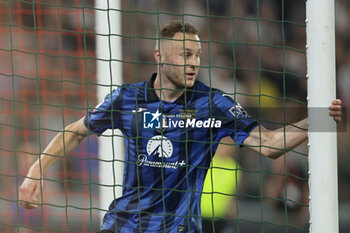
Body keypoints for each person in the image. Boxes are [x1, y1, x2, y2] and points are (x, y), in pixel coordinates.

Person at [19, 21, 342, 233]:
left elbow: (269, 144)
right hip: (126, 224)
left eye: (198, 55)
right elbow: (77, 130)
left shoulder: (214, 103)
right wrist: (35, 172)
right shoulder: (128, 98)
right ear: (160, 55)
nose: (193, 62)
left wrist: (315, 120)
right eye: (185, 54)